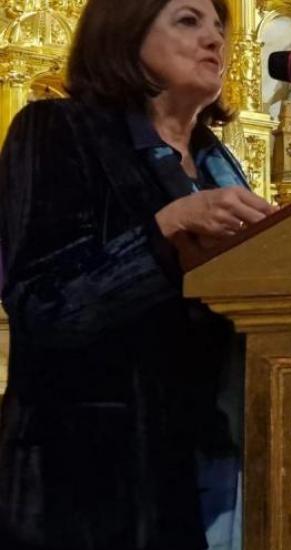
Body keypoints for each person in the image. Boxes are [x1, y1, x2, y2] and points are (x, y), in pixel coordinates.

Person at [0, 0, 276, 549]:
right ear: (124, 33)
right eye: (188, 20)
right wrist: (163, 236)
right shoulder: (59, 129)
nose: (215, 40)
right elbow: (41, 304)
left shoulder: (218, 160)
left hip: (206, 464)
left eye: (220, 27)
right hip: (88, 481)